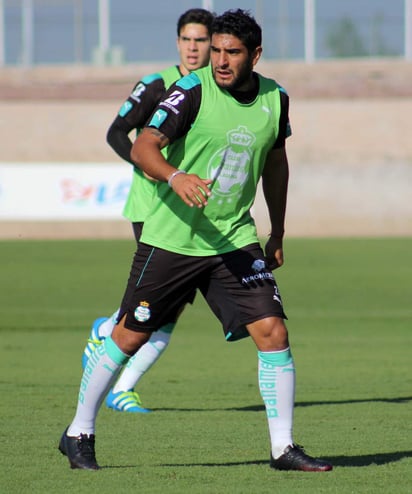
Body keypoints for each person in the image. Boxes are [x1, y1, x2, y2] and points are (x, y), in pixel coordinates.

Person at [59, 9, 333, 472]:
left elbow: (276, 163)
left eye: (232, 52)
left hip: (234, 238)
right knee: (129, 334)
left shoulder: (276, 98)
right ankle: (79, 431)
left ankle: (283, 448)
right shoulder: (190, 90)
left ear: (256, 55)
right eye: (217, 50)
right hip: (173, 240)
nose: (220, 60)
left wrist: (278, 229)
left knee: (273, 331)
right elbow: (144, 144)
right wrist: (176, 175)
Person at [81, 8, 215, 414]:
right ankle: (108, 335)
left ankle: (122, 382)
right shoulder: (158, 84)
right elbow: (116, 133)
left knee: (171, 302)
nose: (194, 48)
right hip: (152, 206)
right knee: (158, 299)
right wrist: (155, 171)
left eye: (201, 41)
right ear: (177, 42)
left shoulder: (213, 88)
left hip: (189, 208)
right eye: (187, 40)